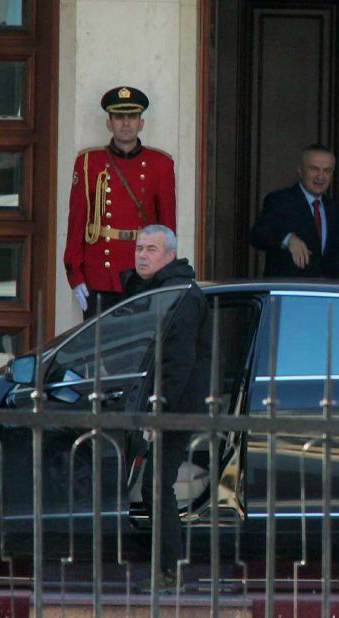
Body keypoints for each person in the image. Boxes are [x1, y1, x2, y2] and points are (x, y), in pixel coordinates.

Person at [120, 224, 211, 591]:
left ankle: (169, 571)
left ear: (170, 255)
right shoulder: (153, 290)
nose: (142, 255)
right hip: (153, 404)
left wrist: (157, 412)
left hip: (172, 408)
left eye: (151, 249)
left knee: (158, 485)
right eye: (139, 247)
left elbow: (177, 363)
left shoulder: (181, 295)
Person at [64, 86, 176, 319]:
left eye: (132, 117)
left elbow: (167, 227)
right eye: (119, 117)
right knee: (98, 348)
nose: (126, 124)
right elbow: (76, 222)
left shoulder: (160, 164)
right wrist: (75, 275)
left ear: (141, 123)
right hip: (100, 273)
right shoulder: (88, 162)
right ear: (109, 123)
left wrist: (166, 273)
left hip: (143, 272)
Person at [250, 144, 339, 278]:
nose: (321, 176)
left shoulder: (332, 208)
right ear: (300, 170)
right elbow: (258, 234)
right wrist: (288, 239)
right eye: (314, 169)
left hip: (324, 294)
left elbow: (338, 258)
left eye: (327, 170)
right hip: (288, 292)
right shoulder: (280, 200)